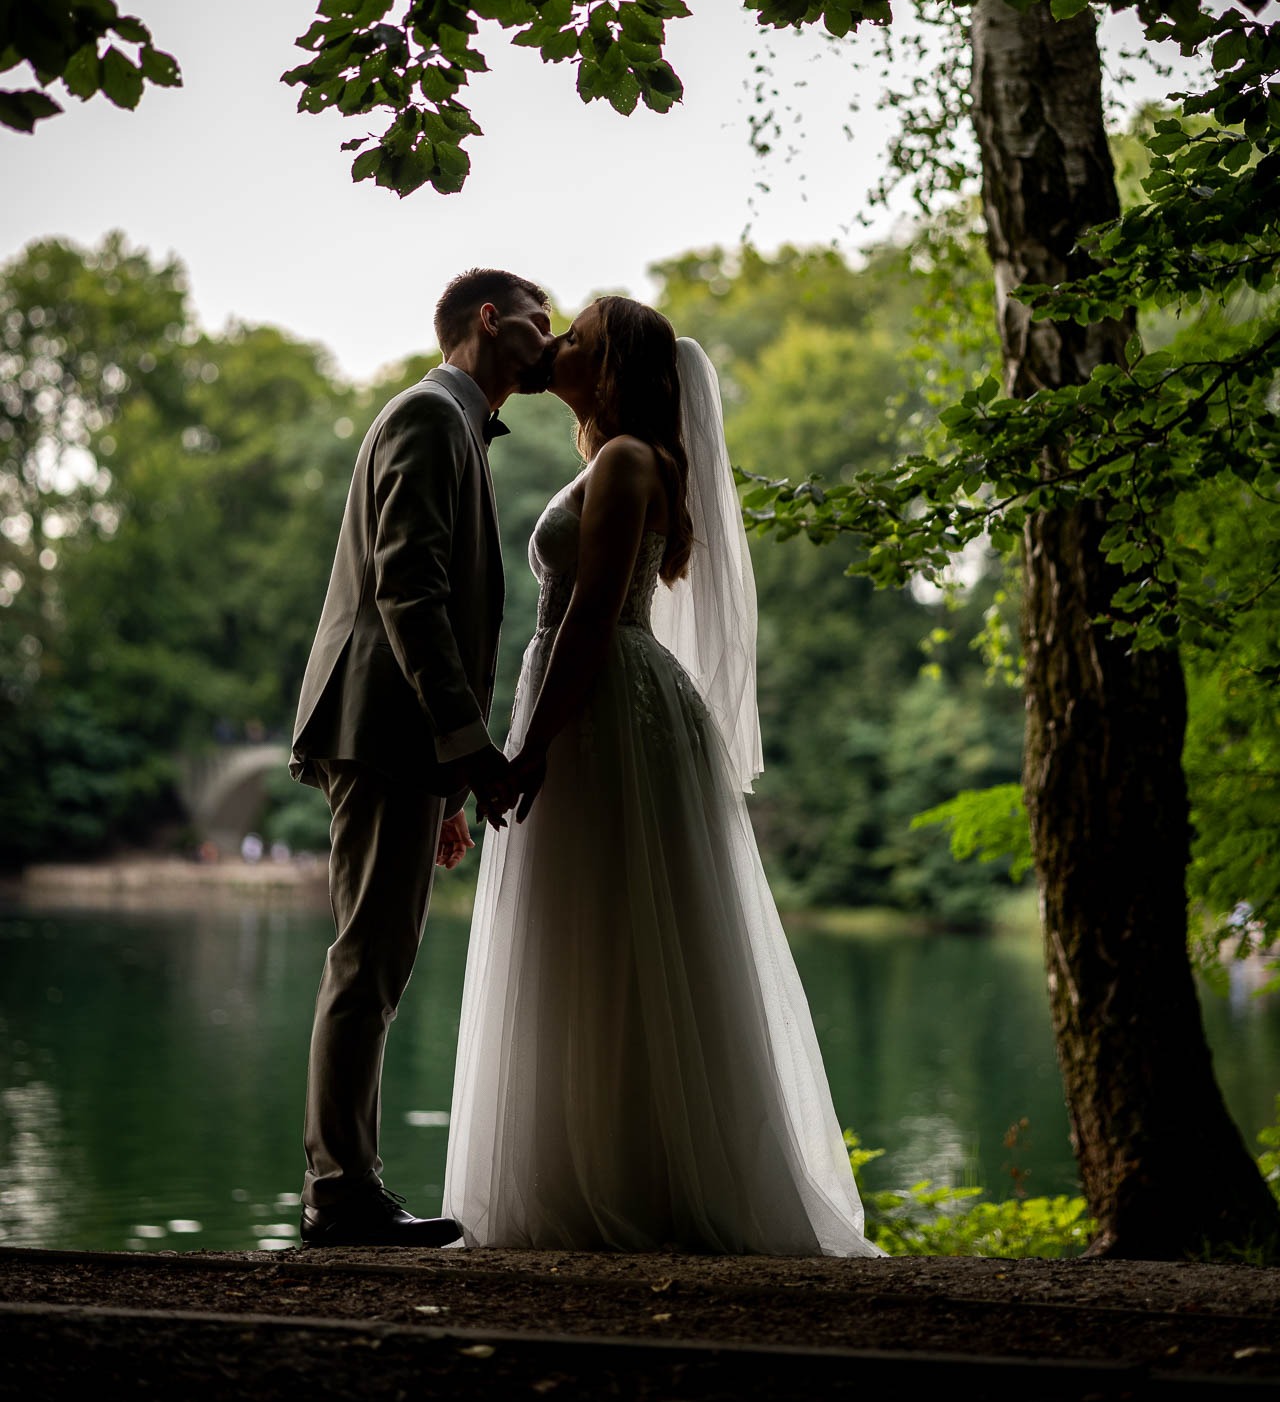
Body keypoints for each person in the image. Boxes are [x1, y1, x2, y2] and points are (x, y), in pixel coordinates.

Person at [443, 297, 884, 1257]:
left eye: (579, 340)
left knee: (618, 928)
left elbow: (592, 617)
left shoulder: (628, 461)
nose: (557, 344)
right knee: (590, 937)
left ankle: (641, 1181)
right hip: (591, 701)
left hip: (605, 707)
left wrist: (527, 753)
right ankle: (594, 1167)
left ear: (610, 371)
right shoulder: (609, 460)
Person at [290, 268, 556, 1248]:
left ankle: (345, 1184)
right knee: (367, 960)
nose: (549, 334)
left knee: (380, 961)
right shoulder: (428, 415)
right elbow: (408, 590)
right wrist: (468, 749)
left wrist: (448, 782)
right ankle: (338, 1192)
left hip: (404, 742)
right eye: (539, 317)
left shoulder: (453, 423)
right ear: (490, 320)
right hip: (380, 728)